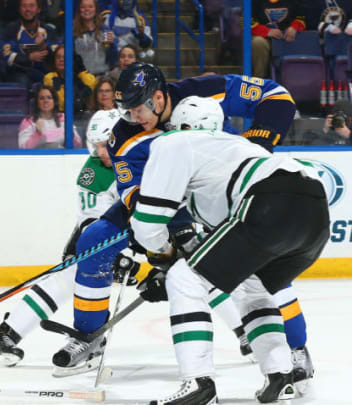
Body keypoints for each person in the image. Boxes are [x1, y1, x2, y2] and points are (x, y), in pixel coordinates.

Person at [52, 62, 315, 384]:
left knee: (259, 259)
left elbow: (275, 96)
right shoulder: (123, 133)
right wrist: (162, 238)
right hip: (161, 204)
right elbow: (130, 189)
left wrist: (259, 144)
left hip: (218, 194)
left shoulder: (204, 91)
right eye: (127, 110)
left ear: (159, 97)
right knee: (94, 240)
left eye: (137, 109)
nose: (133, 118)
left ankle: (295, 348)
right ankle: (89, 335)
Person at [130, 96, 329, 404]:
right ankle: (281, 375)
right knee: (253, 286)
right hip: (314, 211)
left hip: (267, 201)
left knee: (184, 279)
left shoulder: (176, 142)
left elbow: (148, 221)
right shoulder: (237, 148)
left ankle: (197, 382)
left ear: (181, 126)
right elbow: (224, 238)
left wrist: (164, 258)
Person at [0, 107, 121, 367]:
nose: (100, 152)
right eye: (96, 146)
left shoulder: (138, 156)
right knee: (68, 279)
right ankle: (7, 334)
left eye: (105, 145)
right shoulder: (93, 173)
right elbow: (96, 223)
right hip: (100, 236)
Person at [2, 0, 58, 89]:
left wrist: (44, 46)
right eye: (24, 6)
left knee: (53, 81)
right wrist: (29, 58)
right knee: (23, 82)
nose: (27, 9)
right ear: (20, 9)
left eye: (31, 6)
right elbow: (7, 57)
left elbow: (57, 55)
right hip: (20, 73)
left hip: (44, 71)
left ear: (38, 9)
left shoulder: (48, 30)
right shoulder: (11, 30)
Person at [251, 0, 306, 79]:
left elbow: (303, 17)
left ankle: (296, 81)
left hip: (286, 39)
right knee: (258, 43)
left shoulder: (295, 2)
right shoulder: (254, 2)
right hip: (264, 38)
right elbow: (243, 20)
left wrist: (294, 27)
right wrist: (266, 31)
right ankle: (259, 81)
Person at [43, 44, 96, 117]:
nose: (61, 59)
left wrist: (81, 71)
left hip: (80, 116)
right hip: (59, 117)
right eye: (58, 57)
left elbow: (93, 85)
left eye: (65, 57)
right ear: (54, 61)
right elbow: (62, 104)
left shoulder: (80, 77)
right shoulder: (50, 77)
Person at [73, 0, 116, 77]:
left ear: (96, 9)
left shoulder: (104, 30)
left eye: (90, 6)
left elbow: (113, 59)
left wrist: (112, 45)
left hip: (102, 77)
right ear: (79, 10)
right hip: (81, 79)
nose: (87, 9)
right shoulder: (72, 31)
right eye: (83, 7)